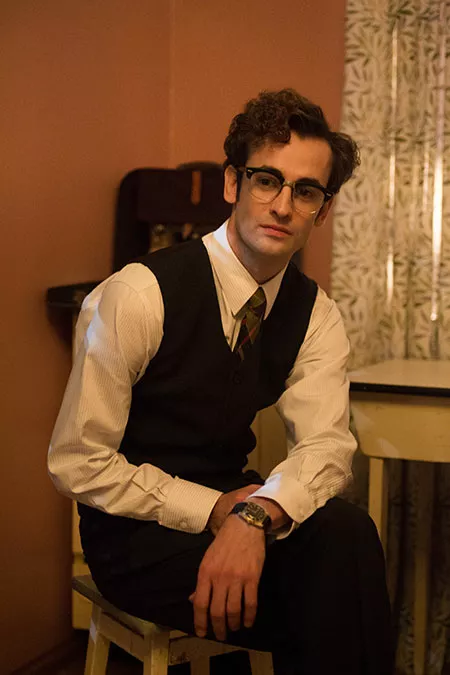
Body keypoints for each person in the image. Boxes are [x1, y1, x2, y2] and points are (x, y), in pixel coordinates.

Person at [48, 89, 393, 675]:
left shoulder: (315, 314)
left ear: (323, 210)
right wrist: (212, 510)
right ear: (233, 183)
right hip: (137, 536)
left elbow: (327, 448)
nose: (282, 206)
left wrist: (253, 517)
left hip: (240, 511)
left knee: (346, 535)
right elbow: (77, 463)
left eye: (306, 191)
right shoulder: (139, 295)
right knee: (332, 590)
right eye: (267, 181)